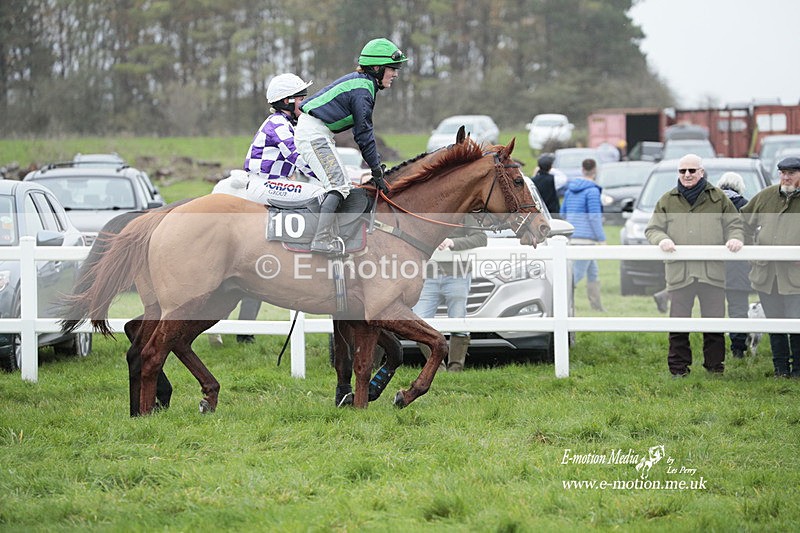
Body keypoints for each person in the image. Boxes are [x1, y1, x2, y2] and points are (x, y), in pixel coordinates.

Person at [210, 72, 315, 346]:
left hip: (269, 183)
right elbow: (301, 159)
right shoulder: (279, 124)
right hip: (264, 186)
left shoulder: (283, 122)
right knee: (318, 194)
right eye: (301, 97)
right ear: (287, 101)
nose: (305, 102)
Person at [296, 37, 405, 254]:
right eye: (392, 69)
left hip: (318, 133)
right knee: (338, 185)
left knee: (344, 185)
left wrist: (375, 167)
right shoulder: (363, 90)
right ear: (376, 67)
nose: (395, 74)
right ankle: (321, 239)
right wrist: (376, 169)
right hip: (313, 134)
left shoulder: (363, 85)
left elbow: (362, 132)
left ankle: (333, 233)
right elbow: (364, 134)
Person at [645, 154, 743, 377]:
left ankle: (715, 368)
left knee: (714, 324)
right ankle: (678, 370)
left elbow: (735, 224)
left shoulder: (718, 198)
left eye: (691, 170)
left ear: (701, 172)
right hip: (681, 273)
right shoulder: (667, 200)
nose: (687, 175)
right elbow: (652, 228)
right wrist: (661, 239)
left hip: (712, 272)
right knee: (678, 325)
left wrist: (735, 237)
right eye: (682, 171)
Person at [741, 156, 800, 377]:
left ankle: (798, 371)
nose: (786, 177)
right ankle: (780, 370)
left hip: (796, 277)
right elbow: (741, 223)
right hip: (766, 275)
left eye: (791, 173)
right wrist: (750, 253)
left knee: (797, 325)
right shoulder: (765, 197)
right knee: (775, 324)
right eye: (782, 172)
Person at [412, 218, 487, 372]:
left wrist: (452, 243)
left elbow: (481, 238)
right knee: (420, 322)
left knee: (459, 320)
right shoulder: (425, 211)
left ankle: (455, 369)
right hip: (428, 275)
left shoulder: (465, 210)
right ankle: (437, 369)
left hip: (458, 275)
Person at [560, 158, 606, 311]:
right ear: (595, 170)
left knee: (593, 272)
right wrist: (601, 238)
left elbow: (563, 213)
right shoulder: (592, 191)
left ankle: (597, 306)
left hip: (572, 235)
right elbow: (594, 216)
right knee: (576, 275)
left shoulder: (569, 190)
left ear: (582, 169)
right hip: (586, 238)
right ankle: (561, 303)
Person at [715, 172, 752, 358]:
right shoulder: (747, 205)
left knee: (713, 308)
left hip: (714, 266)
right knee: (738, 308)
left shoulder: (713, 205)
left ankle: (714, 347)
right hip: (739, 267)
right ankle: (738, 348)